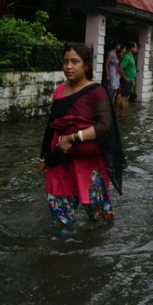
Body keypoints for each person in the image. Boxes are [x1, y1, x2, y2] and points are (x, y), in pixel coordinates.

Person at [39, 43, 126, 228]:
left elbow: (104, 126)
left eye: (75, 62)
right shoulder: (59, 91)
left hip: (88, 164)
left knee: (100, 220)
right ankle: (61, 253)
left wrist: (72, 138)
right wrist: (46, 157)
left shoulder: (96, 91)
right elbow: (52, 127)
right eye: (65, 62)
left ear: (86, 65)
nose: (69, 66)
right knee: (60, 222)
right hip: (60, 161)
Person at [118, 41, 138, 112]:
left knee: (127, 98)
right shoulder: (127, 56)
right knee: (124, 98)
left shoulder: (130, 56)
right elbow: (120, 68)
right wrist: (125, 78)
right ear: (131, 48)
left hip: (130, 80)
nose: (136, 49)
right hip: (127, 80)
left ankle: (125, 114)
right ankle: (123, 115)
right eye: (135, 47)